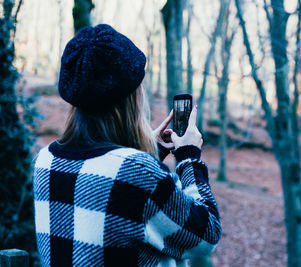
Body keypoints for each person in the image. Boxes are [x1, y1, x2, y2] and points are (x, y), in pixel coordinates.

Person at [33, 24, 221, 267]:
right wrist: (188, 158)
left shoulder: (44, 161)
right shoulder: (137, 172)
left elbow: (109, 194)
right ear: (130, 98)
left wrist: (153, 150)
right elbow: (206, 237)